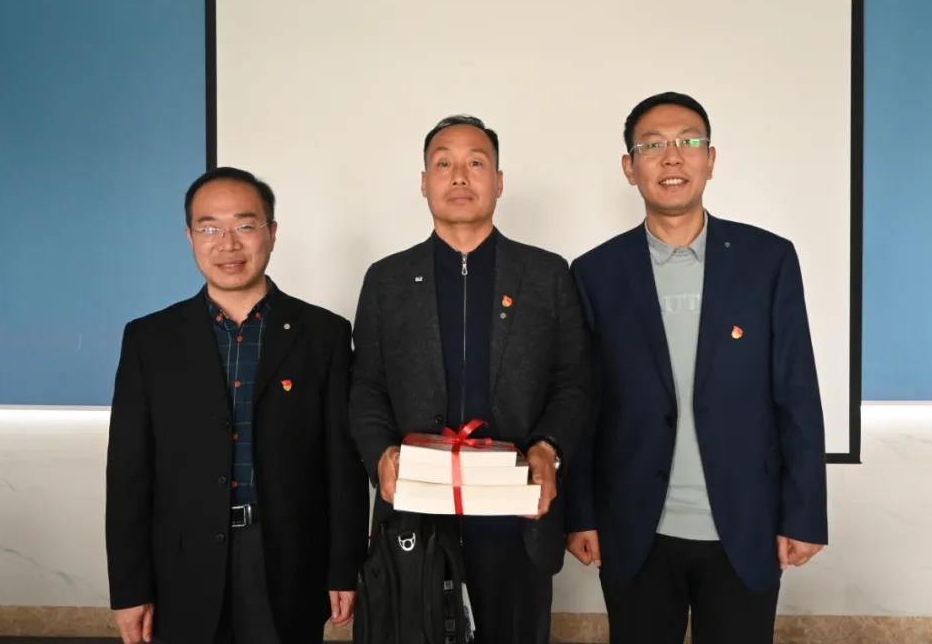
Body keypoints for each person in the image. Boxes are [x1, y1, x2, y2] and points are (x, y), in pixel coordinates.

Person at [565, 93, 828, 644]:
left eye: (688, 141)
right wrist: (580, 514)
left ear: (711, 159)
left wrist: (803, 514)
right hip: (635, 526)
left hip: (745, 525)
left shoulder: (768, 260)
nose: (672, 157)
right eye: (652, 145)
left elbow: (797, 392)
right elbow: (583, 404)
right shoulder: (594, 273)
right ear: (629, 167)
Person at [349, 115, 591, 644]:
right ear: (424, 182)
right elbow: (366, 386)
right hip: (416, 513)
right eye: (444, 164)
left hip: (516, 515)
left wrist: (549, 449)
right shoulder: (387, 279)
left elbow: (574, 383)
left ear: (499, 182)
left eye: (476, 163)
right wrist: (380, 453)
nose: (459, 176)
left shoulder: (547, 274)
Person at [105, 167, 368, 644]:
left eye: (245, 225)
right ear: (189, 237)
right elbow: (128, 473)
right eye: (209, 228)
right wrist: (129, 586)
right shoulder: (150, 340)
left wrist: (343, 566)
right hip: (181, 567)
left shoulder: (323, 335)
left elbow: (341, 464)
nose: (228, 244)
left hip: (288, 562)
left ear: (272, 232)